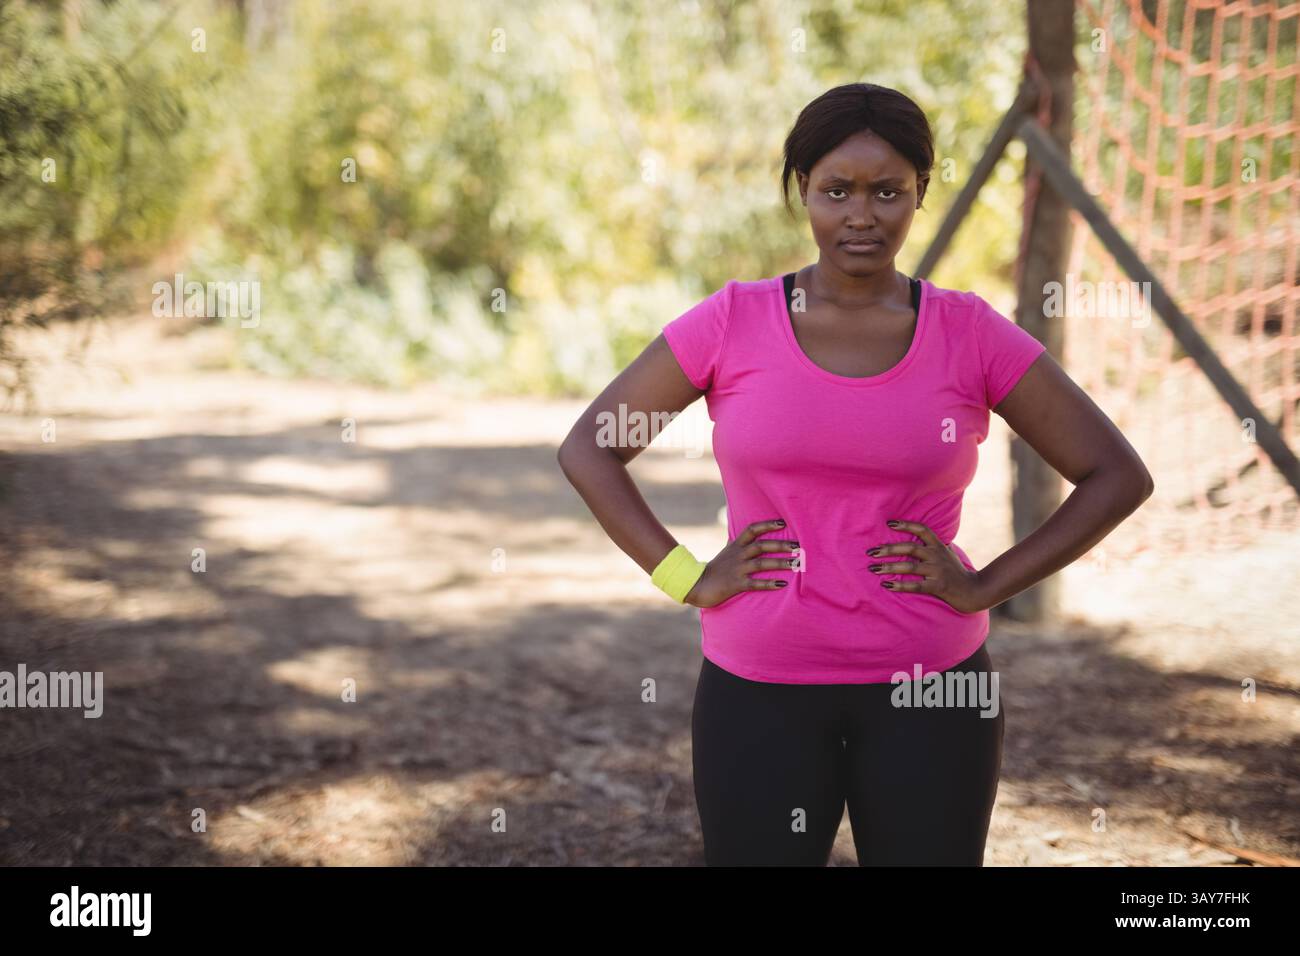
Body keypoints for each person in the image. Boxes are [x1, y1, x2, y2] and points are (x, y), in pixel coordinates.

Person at [556, 82, 1154, 866]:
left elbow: (1116, 474)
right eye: (837, 190)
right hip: (759, 687)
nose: (862, 215)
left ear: (920, 194)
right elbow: (590, 447)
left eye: (888, 192)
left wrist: (984, 587)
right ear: (803, 189)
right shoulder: (733, 321)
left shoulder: (969, 333)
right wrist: (686, 576)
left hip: (931, 690)